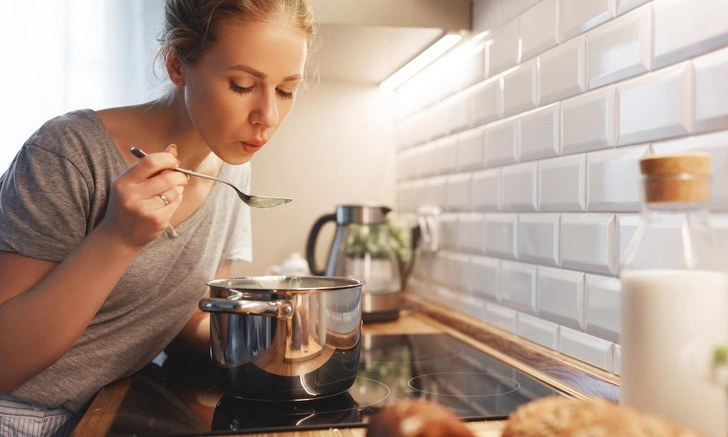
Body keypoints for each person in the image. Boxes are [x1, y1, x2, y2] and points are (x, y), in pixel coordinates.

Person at [0, 0, 314, 435]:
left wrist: (263, 339)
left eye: (285, 90)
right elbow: (5, 362)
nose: (268, 117)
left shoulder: (234, 166)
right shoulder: (67, 153)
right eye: (243, 85)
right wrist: (117, 239)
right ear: (177, 65)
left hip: (109, 407)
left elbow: (185, 318)